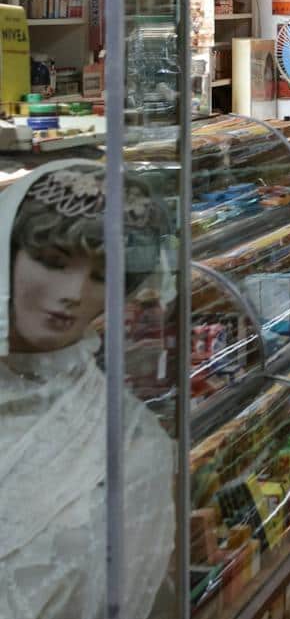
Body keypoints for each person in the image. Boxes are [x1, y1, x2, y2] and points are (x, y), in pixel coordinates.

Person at [1, 162, 173, 616]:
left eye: (101, 277)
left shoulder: (133, 444)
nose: (73, 293)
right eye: (53, 263)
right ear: (7, 256)